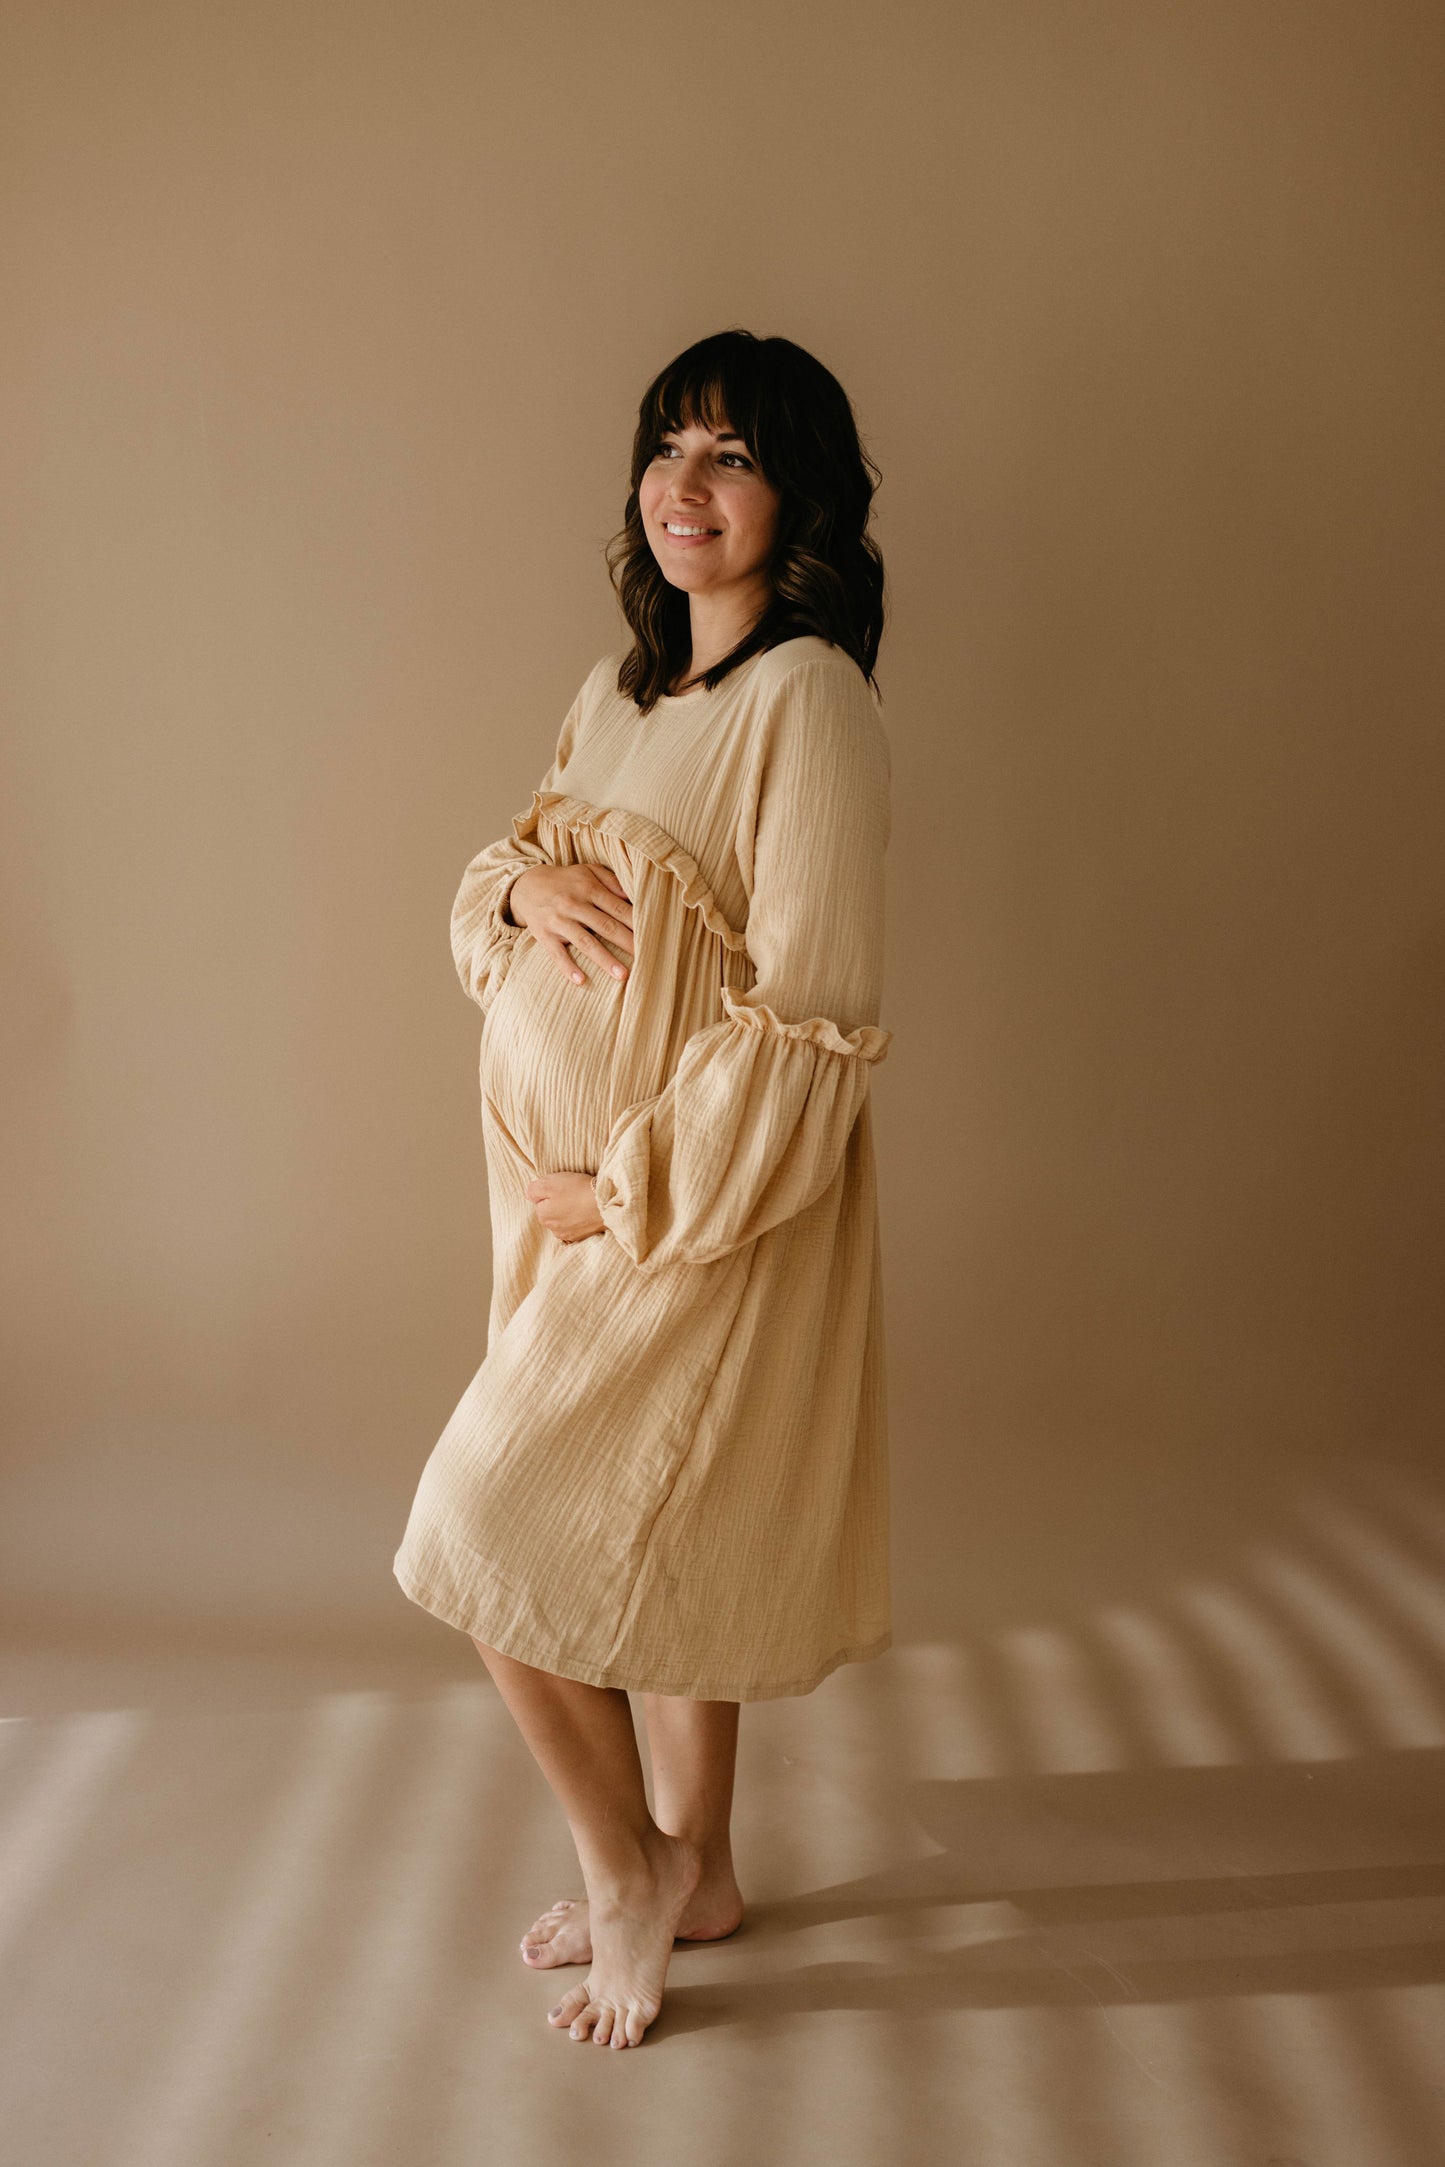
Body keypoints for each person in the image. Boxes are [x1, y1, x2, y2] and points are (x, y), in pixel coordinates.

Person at [393, 328, 894, 2048]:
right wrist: (522, 905)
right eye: (667, 447)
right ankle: (710, 1860)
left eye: (732, 458)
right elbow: (506, 867)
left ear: (792, 499)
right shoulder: (613, 697)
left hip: (688, 1211)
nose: (688, 487)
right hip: (550, 1195)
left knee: (483, 1525)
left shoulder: (806, 700)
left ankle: (626, 1869)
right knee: (647, 1549)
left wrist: (648, 1184)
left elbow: (815, 1009)